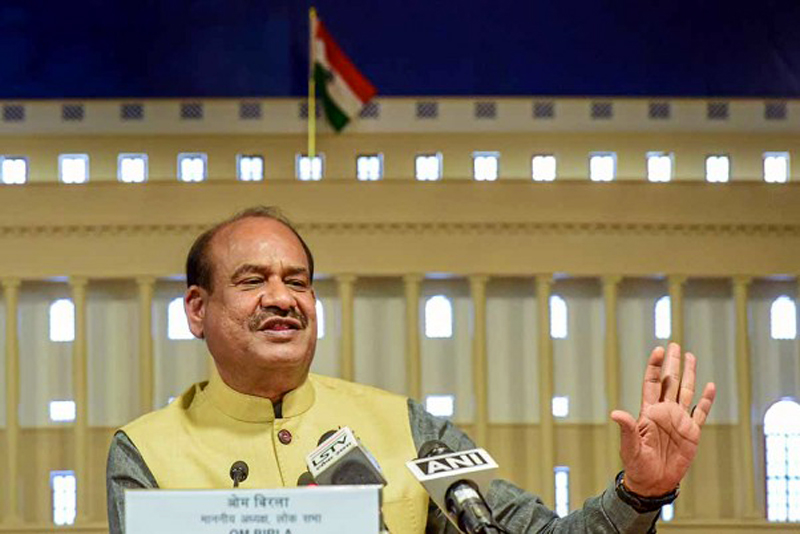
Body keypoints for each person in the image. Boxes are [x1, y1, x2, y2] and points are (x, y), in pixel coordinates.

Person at [106, 206, 716, 534]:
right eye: (252, 281)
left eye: (298, 282)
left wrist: (640, 493)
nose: (282, 297)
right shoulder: (145, 452)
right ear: (197, 309)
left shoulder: (406, 424)